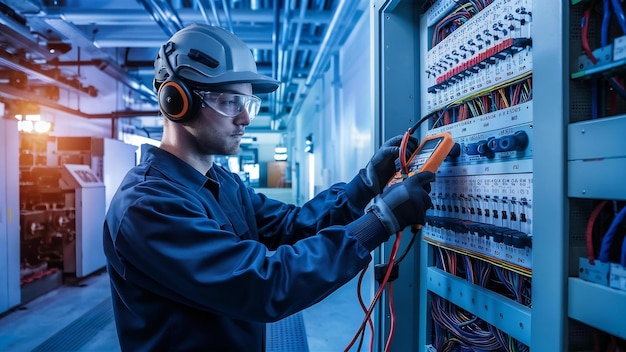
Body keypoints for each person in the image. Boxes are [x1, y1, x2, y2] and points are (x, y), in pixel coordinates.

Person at [103, 23, 434, 351]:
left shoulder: (222, 182)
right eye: (231, 101)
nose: (245, 119)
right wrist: (379, 223)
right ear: (178, 101)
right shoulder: (147, 206)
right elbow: (261, 285)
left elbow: (291, 226)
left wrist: (364, 185)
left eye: (247, 104)